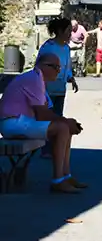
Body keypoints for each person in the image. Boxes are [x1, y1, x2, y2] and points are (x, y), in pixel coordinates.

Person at [0, 52, 86, 193]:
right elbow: (42, 114)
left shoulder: (38, 79)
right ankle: (58, 180)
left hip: (18, 121)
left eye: (60, 67)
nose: (59, 71)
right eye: (55, 67)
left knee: (65, 127)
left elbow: (47, 111)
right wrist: (66, 122)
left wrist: (67, 122)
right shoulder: (34, 79)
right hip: (11, 122)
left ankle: (66, 176)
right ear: (44, 66)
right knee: (63, 128)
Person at [39, 18, 77, 118]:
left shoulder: (66, 48)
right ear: (60, 31)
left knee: (58, 118)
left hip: (60, 90)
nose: (70, 34)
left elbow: (67, 67)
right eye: (68, 31)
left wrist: (71, 78)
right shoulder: (48, 46)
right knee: (47, 119)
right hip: (48, 91)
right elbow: (39, 66)